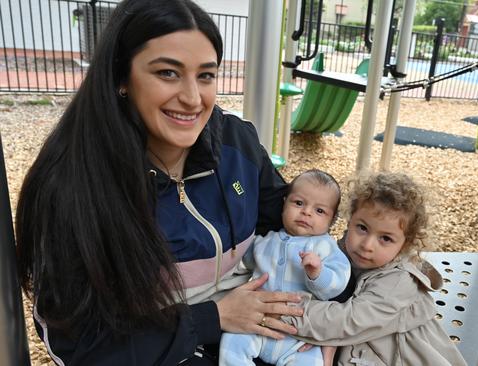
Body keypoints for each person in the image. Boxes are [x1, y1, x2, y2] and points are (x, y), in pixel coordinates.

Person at [15, 0, 304, 365]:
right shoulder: (73, 187)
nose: (192, 98)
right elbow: (79, 343)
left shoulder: (236, 144)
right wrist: (212, 319)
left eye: (206, 75)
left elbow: (292, 231)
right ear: (121, 78)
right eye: (168, 73)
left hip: (249, 335)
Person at [282, 172, 468, 366]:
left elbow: (348, 321)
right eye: (362, 228)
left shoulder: (398, 282)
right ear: (350, 219)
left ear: (405, 244)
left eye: (385, 238)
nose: (367, 245)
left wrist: (283, 310)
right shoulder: (341, 251)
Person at [220, 169, 351, 365]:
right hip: (257, 324)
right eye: (299, 203)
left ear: (331, 221)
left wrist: (318, 274)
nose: (306, 212)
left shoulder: (325, 247)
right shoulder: (263, 242)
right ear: (284, 205)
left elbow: (338, 283)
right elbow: (239, 263)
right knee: (232, 343)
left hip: (299, 338)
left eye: (319, 211)